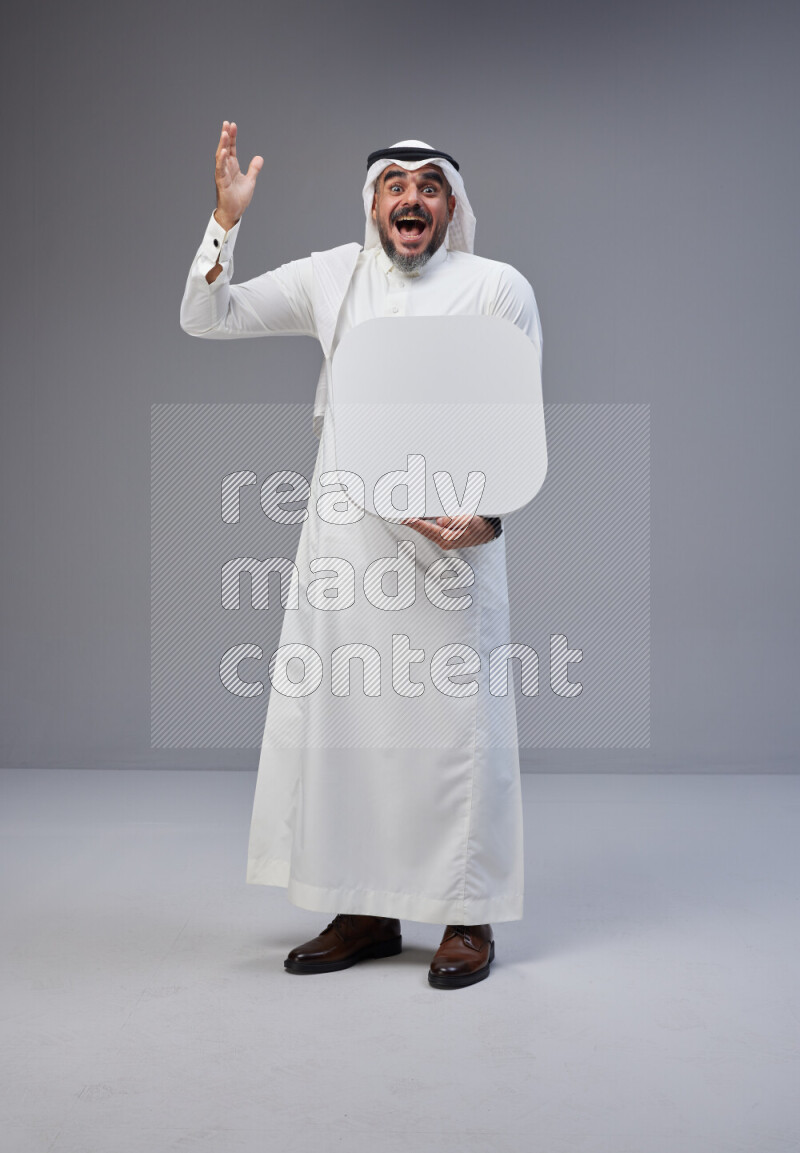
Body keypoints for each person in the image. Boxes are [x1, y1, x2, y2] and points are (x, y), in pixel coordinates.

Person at [180, 123, 543, 989]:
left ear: (450, 205)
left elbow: (517, 417)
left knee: (456, 734)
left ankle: (467, 916)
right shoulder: (333, 276)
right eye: (394, 184)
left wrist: (486, 519)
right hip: (346, 548)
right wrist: (223, 223)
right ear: (374, 202)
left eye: (427, 185)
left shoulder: (498, 288)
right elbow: (207, 314)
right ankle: (365, 908)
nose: (409, 198)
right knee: (349, 730)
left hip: (447, 550)